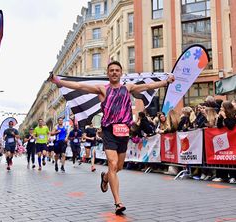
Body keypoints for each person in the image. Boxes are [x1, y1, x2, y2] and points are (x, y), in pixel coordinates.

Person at [49, 61, 175, 215]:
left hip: (123, 132)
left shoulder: (127, 88)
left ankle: (105, 177)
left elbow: (148, 87)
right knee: (113, 163)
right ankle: (118, 202)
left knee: (118, 167)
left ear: (121, 73)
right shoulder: (102, 89)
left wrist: (165, 82)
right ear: (108, 73)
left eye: (117, 70)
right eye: (111, 70)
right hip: (109, 131)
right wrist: (57, 81)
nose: (114, 72)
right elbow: (80, 87)